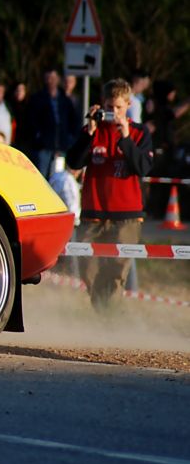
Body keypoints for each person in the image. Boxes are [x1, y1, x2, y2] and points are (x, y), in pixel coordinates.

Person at [65, 78, 154, 310]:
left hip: (126, 216)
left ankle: (111, 321)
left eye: (118, 107)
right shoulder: (93, 131)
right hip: (94, 212)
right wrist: (89, 132)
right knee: (89, 269)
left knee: (116, 271)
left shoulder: (138, 132)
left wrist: (125, 138)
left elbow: (143, 167)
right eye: (109, 107)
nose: (113, 112)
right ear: (102, 104)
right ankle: (101, 313)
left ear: (127, 105)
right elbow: (73, 161)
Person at [145, 79, 190, 218]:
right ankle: (153, 210)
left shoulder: (160, 106)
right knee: (158, 181)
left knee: (162, 182)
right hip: (159, 150)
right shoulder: (158, 106)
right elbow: (174, 113)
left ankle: (157, 209)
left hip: (164, 149)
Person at [25, 68, 81, 177]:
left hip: (62, 145)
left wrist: (70, 138)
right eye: (48, 78)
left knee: (58, 178)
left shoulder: (65, 99)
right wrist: (38, 136)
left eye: (53, 78)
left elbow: (73, 120)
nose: (51, 81)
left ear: (58, 79)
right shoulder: (38, 98)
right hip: (43, 146)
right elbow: (31, 120)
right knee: (41, 177)